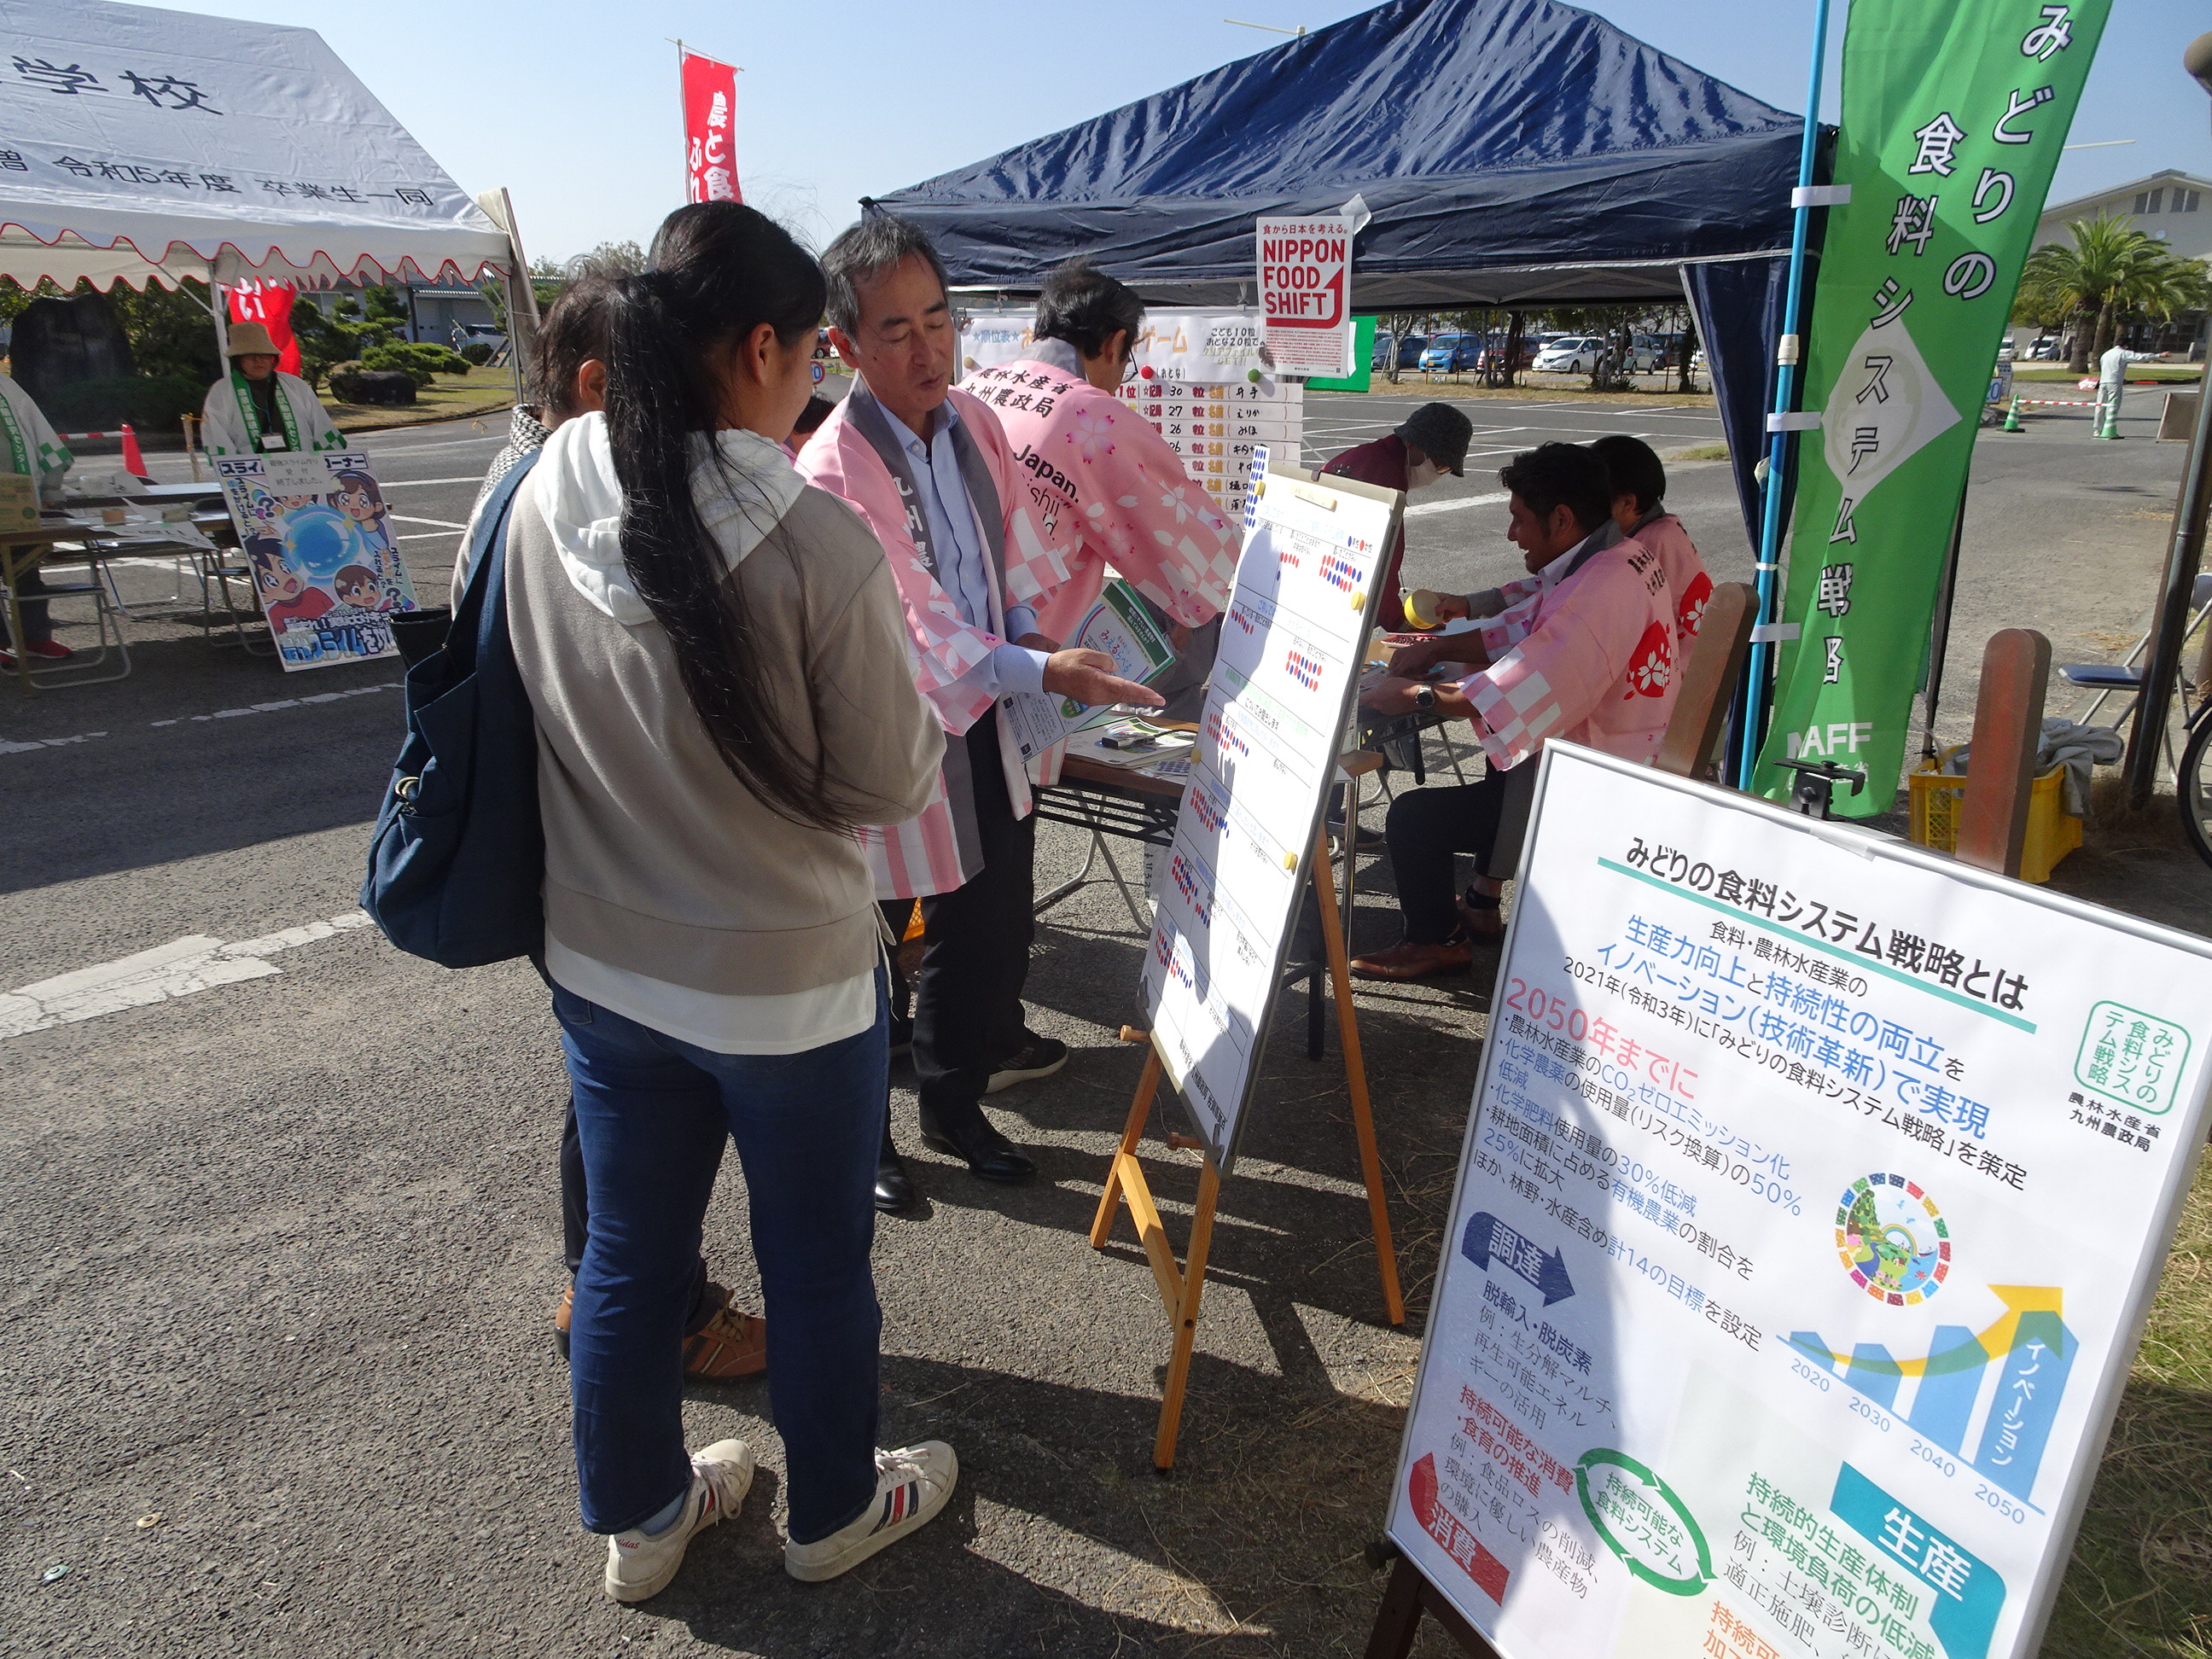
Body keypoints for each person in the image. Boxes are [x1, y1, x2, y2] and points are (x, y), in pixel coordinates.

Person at [504, 201, 952, 1600]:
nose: (816, 378)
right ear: (759, 346)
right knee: (815, 1263)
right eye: (817, 349)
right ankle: (832, 1506)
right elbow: (887, 777)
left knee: (631, 1249)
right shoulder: (814, 546)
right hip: (787, 989)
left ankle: (639, 1518)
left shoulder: (541, 486)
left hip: (603, 961)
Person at [799, 215, 1161, 1209]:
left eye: (939, 320)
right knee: (863, 940)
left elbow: (1002, 572)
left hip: (986, 720)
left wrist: (1037, 644)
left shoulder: (976, 425)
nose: (927, 350)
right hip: (879, 733)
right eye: (894, 332)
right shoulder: (837, 464)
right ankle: (860, 1131)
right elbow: (910, 620)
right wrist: (1042, 669)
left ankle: (954, 1103)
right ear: (845, 346)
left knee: (988, 926)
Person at [463, 258, 771, 1384]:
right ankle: (659, 1311)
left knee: (608, 1096)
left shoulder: (521, 480)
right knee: (648, 1117)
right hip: (593, 861)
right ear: (602, 384)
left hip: (570, 856)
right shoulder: (561, 499)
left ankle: (607, 1288)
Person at [1351, 443, 1680, 981]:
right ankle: (1479, 906)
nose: (1512, 535)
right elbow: (1528, 624)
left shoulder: (1599, 589)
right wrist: (1437, 649)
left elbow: (1524, 689)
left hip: (1596, 785)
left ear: (1563, 518)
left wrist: (1414, 695)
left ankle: (1436, 942)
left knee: (1413, 818)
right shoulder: (1616, 556)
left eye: (1519, 520)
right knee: (1496, 765)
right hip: (1621, 755)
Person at [963, 258, 1236, 643]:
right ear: (1115, 343)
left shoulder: (973, 384)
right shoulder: (1093, 416)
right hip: (1018, 649)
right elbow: (1192, 559)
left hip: (941, 628)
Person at [1318, 401, 1473, 631]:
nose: (1438, 473)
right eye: (1439, 465)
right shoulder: (1384, 481)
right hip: (1333, 599)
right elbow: (1381, 565)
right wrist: (1399, 623)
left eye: (1445, 470)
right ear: (1412, 444)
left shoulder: (1369, 458)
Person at [1588, 434, 1713, 649]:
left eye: (1591, 499)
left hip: (1681, 669)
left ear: (1627, 503)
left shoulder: (1645, 547)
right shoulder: (1665, 529)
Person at [0, 370, 75, 667]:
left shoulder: (5, 385)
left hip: (18, 497)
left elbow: (40, 432)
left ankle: (35, 637)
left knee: (26, 570)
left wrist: (52, 485)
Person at [200, 321, 344, 457]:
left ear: (272, 358)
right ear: (238, 359)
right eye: (250, 356)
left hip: (302, 469)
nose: (259, 361)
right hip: (253, 475)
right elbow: (216, 434)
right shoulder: (222, 391)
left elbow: (321, 426)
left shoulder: (295, 385)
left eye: (264, 355)